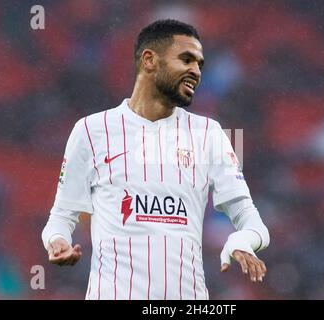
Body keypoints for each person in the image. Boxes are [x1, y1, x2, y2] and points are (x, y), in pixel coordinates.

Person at [41, 19, 270, 300]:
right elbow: (61, 216)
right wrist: (57, 240)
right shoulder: (91, 130)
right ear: (149, 60)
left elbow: (252, 221)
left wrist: (242, 239)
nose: (195, 71)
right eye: (186, 60)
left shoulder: (209, 134)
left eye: (199, 64)